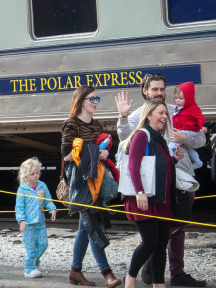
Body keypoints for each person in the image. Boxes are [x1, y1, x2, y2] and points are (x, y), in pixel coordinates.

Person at [116, 74, 206, 287]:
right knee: (154, 239)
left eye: (162, 89)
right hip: (150, 187)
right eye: (154, 89)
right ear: (145, 91)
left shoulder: (178, 110)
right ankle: (144, 272)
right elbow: (125, 140)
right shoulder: (140, 118)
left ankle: (174, 274)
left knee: (175, 231)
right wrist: (122, 117)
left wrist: (186, 138)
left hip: (178, 180)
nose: (159, 93)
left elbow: (201, 139)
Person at [62, 86, 122, 287]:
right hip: (80, 181)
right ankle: (107, 273)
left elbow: (103, 147)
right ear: (81, 101)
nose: (95, 102)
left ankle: (75, 271)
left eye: (97, 99)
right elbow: (66, 156)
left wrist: (103, 153)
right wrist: (91, 151)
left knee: (84, 228)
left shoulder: (97, 125)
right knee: (92, 224)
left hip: (96, 178)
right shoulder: (71, 124)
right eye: (92, 99)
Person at [121, 101, 178, 288]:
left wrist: (173, 161)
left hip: (160, 199)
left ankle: (159, 284)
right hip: (144, 199)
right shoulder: (141, 135)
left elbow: (158, 167)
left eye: (165, 113)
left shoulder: (158, 139)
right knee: (150, 242)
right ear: (148, 115)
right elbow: (133, 165)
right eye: (160, 113)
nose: (164, 116)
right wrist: (139, 192)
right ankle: (130, 278)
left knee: (161, 245)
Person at [15, 157, 57, 279]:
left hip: (40, 222)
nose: (35, 176)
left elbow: (48, 200)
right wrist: (21, 221)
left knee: (43, 244)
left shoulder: (42, 186)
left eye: (37, 173)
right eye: (32, 174)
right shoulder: (22, 190)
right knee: (31, 248)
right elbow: (19, 207)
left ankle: (33, 262)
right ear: (25, 176)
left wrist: (52, 209)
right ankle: (28, 269)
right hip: (28, 225)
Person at [171, 82, 205, 170]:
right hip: (184, 131)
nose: (177, 101)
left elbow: (200, 118)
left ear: (188, 98)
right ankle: (197, 162)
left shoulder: (192, 108)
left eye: (181, 98)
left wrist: (203, 126)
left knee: (173, 143)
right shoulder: (178, 109)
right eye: (176, 98)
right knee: (190, 149)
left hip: (189, 131)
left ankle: (170, 152)